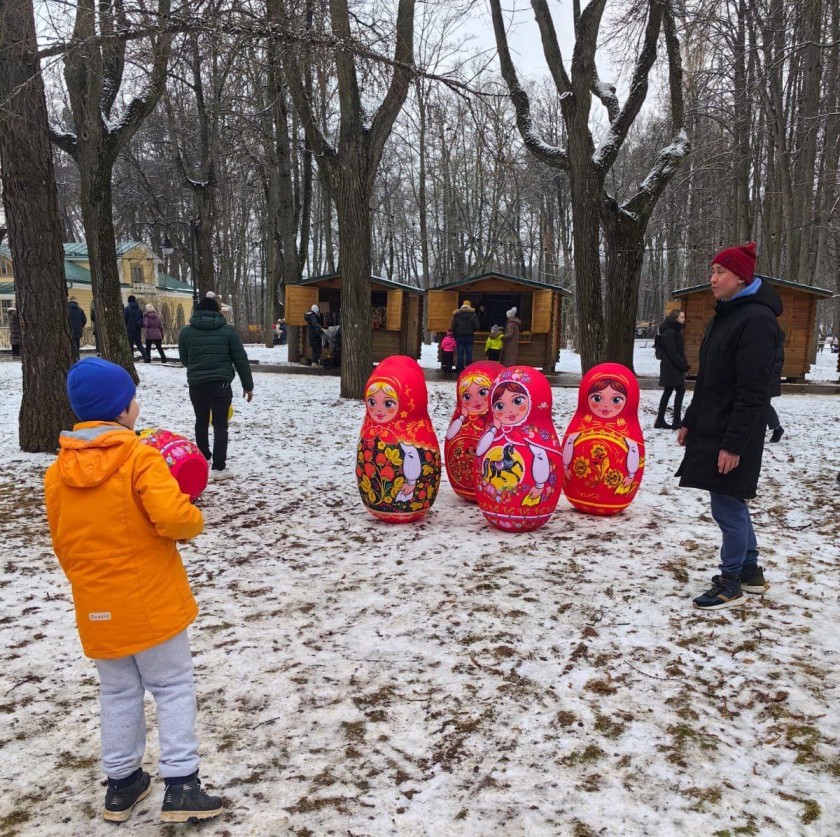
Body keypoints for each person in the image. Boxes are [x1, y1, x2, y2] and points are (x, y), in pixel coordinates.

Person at [44, 358, 223, 824]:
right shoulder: (140, 457)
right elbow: (174, 518)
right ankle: (182, 784)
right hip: (152, 601)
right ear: (124, 409)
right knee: (172, 685)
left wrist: (89, 586)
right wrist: (193, 519)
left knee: (118, 693)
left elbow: (64, 543)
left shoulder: (57, 472)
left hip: (97, 605)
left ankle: (122, 785)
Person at [676, 242, 783, 610]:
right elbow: (709, 379)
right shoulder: (728, 314)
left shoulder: (757, 321)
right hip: (712, 425)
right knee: (730, 499)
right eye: (712, 271)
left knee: (726, 504)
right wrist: (689, 420)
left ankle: (731, 581)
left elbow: (754, 392)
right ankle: (750, 571)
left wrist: (734, 445)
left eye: (720, 272)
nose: (712, 279)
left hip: (735, 431)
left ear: (741, 276)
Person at [178, 296, 254, 480]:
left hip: (197, 384)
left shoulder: (186, 332)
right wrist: (248, 386)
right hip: (221, 384)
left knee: (201, 420)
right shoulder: (228, 332)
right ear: (217, 311)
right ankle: (219, 467)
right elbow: (240, 360)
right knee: (220, 424)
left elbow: (184, 359)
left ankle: (203, 457)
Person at [655, 309, 689, 429]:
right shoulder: (670, 332)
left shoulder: (674, 330)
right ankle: (676, 421)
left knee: (668, 392)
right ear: (675, 318)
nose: (684, 319)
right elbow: (673, 352)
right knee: (679, 391)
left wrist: (684, 364)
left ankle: (660, 420)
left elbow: (678, 351)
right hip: (671, 368)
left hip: (672, 367)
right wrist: (682, 365)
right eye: (681, 317)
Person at [450, 299, 481, 372]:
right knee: (469, 353)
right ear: (469, 306)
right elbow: (477, 326)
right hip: (469, 336)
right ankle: (468, 368)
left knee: (460, 353)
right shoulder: (473, 315)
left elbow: (453, 326)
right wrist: (472, 330)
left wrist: (455, 334)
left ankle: (459, 368)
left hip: (459, 336)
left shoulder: (457, 315)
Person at [766, 326, 785, 443]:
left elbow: (777, 363)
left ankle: (777, 428)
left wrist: (768, 379)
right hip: (761, 377)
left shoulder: (775, 341)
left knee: (762, 404)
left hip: (767, 379)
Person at [124, 295, 147, 362]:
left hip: (130, 330)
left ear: (129, 301)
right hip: (137, 330)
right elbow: (142, 319)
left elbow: (124, 319)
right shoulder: (139, 310)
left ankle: (131, 359)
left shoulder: (127, 309)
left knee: (130, 345)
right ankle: (145, 357)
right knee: (139, 345)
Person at [68, 296, 87, 360]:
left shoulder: (66, 309)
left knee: (71, 343)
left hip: (69, 330)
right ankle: (77, 356)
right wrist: (80, 326)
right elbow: (84, 320)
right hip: (78, 330)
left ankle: (73, 357)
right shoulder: (80, 310)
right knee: (77, 343)